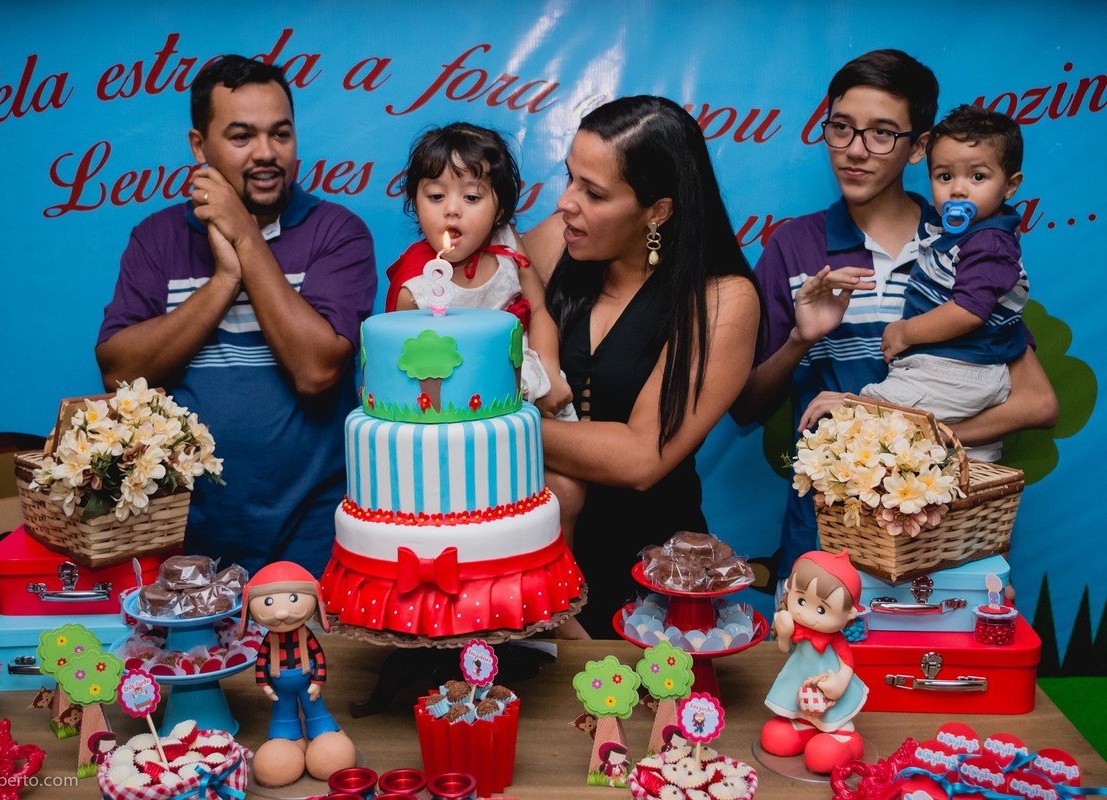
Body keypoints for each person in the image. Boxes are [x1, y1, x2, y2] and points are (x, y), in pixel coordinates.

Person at [730, 50, 1056, 586]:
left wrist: (908, 450)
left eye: (882, 133)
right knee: (818, 672)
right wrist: (798, 340)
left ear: (919, 148)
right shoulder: (794, 246)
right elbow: (745, 409)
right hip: (828, 539)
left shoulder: (965, 245)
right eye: (841, 128)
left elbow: (1037, 402)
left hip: (941, 539)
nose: (855, 151)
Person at [96, 55, 377, 578]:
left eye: (281, 134)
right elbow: (119, 373)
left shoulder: (337, 234)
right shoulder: (157, 239)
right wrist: (224, 282)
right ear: (200, 147)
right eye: (242, 136)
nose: (267, 154)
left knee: (309, 663)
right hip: (185, 531)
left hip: (315, 532)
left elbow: (317, 371)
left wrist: (244, 239)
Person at [523, 95, 761, 639]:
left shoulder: (720, 299)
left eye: (594, 192)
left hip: (647, 584)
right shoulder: (553, 247)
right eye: (569, 178)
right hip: (529, 571)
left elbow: (641, 456)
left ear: (658, 209)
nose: (565, 203)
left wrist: (487, 429)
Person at [384, 123, 582, 540]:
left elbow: (540, 308)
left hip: (530, 385)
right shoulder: (412, 286)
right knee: (484, 518)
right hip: (462, 417)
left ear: (501, 210)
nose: (452, 210)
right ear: (414, 202)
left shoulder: (509, 245)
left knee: (566, 494)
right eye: (435, 196)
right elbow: (407, 376)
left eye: (472, 197)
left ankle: (553, 588)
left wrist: (549, 369)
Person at [854, 105, 1027, 462]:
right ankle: (976, 468)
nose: (959, 190)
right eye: (944, 176)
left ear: (1010, 185)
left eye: (978, 177)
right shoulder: (954, 233)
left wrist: (905, 332)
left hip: (961, 369)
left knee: (867, 419)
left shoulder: (989, 242)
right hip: (950, 369)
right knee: (954, 461)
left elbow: (969, 311)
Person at [242, 561, 356, 785]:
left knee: (316, 710)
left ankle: (322, 733)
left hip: (307, 684)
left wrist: (317, 681)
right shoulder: (269, 641)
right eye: (268, 602)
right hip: (279, 688)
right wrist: (264, 685)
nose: (282, 612)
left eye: (293, 599)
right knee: (283, 713)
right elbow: (261, 662)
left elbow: (319, 657)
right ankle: (288, 739)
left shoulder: (306, 636)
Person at [761, 550, 868, 774]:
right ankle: (805, 726)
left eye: (821, 609)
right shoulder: (796, 628)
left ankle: (844, 738)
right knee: (775, 737)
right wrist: (783, 634)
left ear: (850, 614)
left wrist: (838, 683)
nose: (808, 616)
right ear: (789, 589)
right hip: (798, 685)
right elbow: (786, 649)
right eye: (801, 601)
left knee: (824, 753)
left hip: (829, 695)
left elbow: (847, 664)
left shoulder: (835, 641)